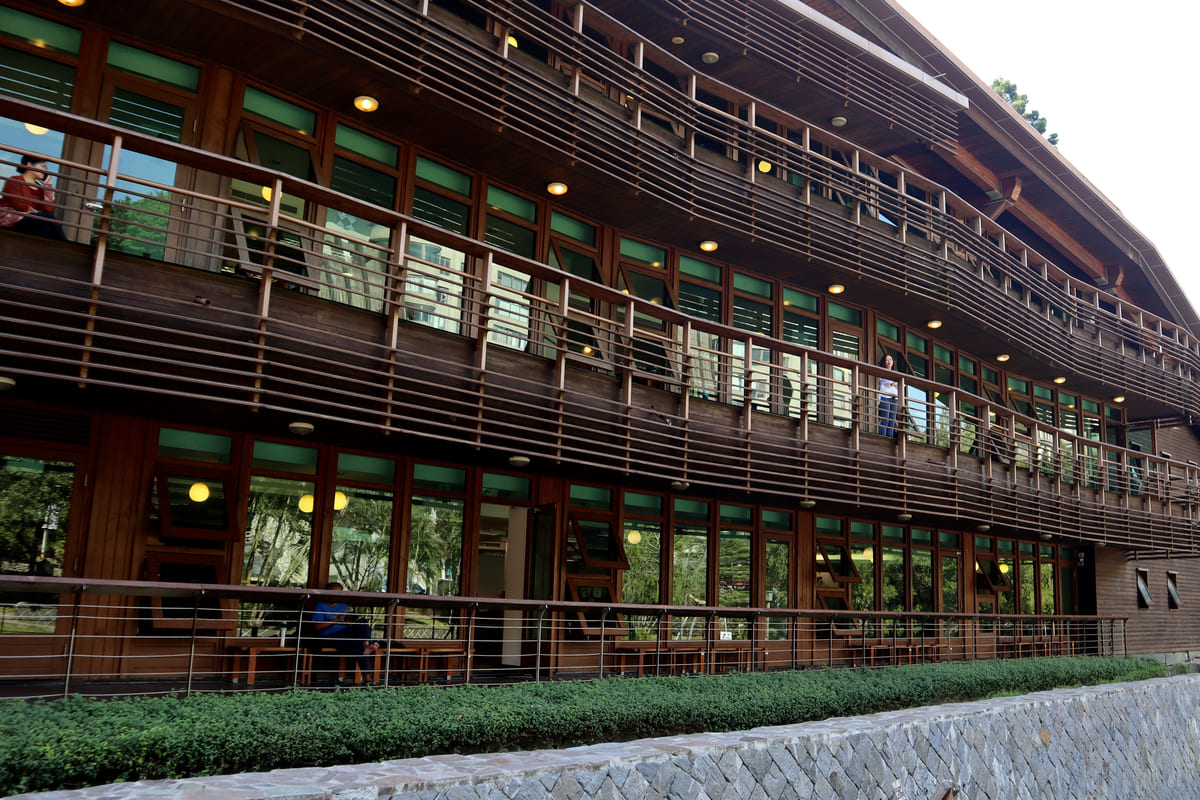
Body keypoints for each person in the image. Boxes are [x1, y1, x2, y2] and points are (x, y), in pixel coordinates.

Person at [311, 581, 380, 683]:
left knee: (363, 622)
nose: (336, 595)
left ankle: (366, 645)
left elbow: (346, 621)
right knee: (358, 646)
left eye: (339, 593)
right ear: (327, 593)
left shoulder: (342, 606)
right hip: (330, 636)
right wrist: (336, 619)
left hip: (345, 631)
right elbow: (317, 627)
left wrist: (349, 621)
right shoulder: (320, 605)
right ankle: (367, 677)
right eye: (333, 592)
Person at [0, 154, 68, 240]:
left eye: (46, 168)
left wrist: (47, 187)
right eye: (42, 166)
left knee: (45, 229)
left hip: (28, 223)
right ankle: (66, 242)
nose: (45, 170)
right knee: (47, 217)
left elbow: (47, 209)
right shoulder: (14, 180)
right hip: (11, 221)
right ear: (29, 165)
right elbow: (20, 206)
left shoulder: (40, 189)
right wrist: (39, 213)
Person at [878, 353, 899, 437]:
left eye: (890, 359)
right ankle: (883, 437)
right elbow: (886, 381)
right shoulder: (882, 372)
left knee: (892, 421)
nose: (889, 361)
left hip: (894, 398)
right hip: (885, 397)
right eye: (886, 360)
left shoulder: (896, 373)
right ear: (884, 362)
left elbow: (903, 384)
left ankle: (890, 437)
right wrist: (895, 383)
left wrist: (893, 384)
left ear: (893, 362)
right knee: (885, 419)